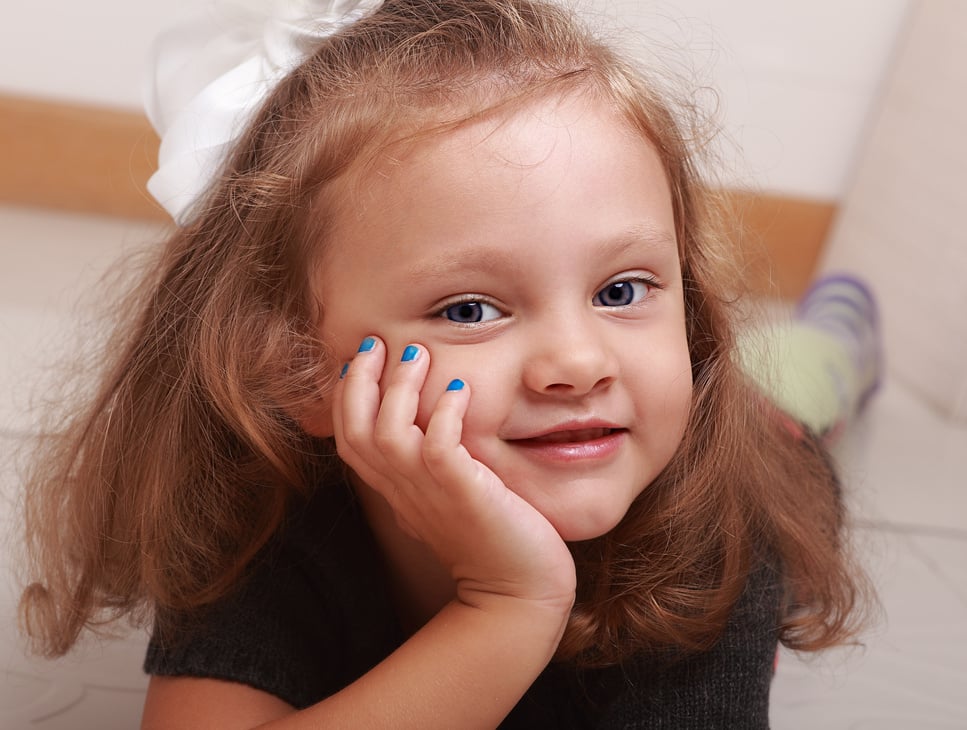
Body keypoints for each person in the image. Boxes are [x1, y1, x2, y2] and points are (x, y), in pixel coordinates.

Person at [18, 1, 874, 727]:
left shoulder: (724, 531)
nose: (575, 363)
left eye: (622, 290)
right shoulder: (261, 503)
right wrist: (505, 607)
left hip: (765, 435)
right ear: (297, 370)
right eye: (469, 310)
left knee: (801, 376)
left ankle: (843, 323)